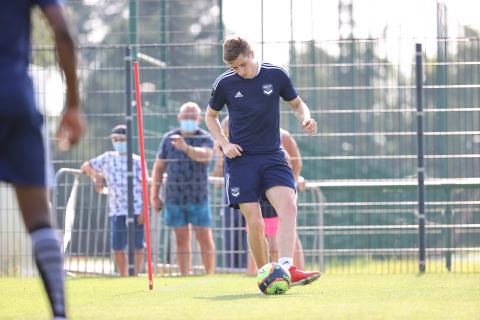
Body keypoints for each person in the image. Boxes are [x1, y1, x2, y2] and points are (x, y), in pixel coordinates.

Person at [205, 35, 320, 286]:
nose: (240, 71)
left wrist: (306, 119)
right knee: (255, 223)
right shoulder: (224, 83)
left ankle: (288, 268)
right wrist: (224, 143)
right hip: (241, 160)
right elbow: (210, 116)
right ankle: (266, 274)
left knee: (288, 207)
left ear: (252, 53)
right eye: (234, 67)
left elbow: (298, 105)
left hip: (272, 155)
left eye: (243, 65)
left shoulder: (276, 75)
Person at [0, 1, 84, 319]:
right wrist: (73, 104)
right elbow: (61, 29)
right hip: (15, 99)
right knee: (38, 217)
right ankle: (59, 313)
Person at [212, 116, 306, 275]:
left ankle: (295, 271)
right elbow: (218, 175)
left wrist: (294, 182)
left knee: (286, 235)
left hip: (277, 192)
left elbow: (295, 163)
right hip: (253, 194)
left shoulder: (282, 137)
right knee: (256, 230)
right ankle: (260, 274)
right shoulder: (226, 144)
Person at [150, 102, 216, 276]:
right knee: (180, 238)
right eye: (185, 116)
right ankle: (184, 275)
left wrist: (185, 148)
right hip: (174, 198)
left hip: (199, 197)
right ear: (179, 117)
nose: (188, 119)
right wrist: (154, 196)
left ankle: (210, 275)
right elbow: (159, 167)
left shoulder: (205, 138)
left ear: (199, 119)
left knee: (204, 236)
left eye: (192, 117)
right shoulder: (168, 138)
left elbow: (207, 156)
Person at [80, 125, 145, 276]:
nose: (118, 142)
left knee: (138, 245)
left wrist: (144, 209)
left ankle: (134, 274)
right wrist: (97, 176)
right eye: (115, 140)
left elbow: (145, 185)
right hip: (116, 209)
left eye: (121, 139)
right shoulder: (107, 157)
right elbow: (85, 166)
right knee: (117, 246)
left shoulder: (137, 161)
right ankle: (124, 275)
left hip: (136, 208)